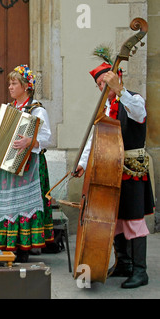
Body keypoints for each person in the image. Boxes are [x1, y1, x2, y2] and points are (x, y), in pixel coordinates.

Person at [75, 62, 155, 289]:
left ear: (115, 79)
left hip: (131, 169)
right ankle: (124, 263)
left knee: (133, 220)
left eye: (104, 83)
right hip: (111, 170)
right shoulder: (105, 108)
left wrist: (119, 89)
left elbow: (139, 114)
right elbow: (95, 138)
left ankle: (141, 272)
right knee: (115, 219)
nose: (101, 87)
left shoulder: (133, 100)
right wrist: (82, 163)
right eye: (99, 84)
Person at [0, 65, 53, 262]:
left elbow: (48, 139)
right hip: (5, 167)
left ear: (25, 86)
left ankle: (22, 249)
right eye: (10, 83)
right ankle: (6, 245)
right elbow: (0, 129)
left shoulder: (37, 110)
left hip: (27, 167)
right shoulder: (10, 109)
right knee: (4, 206)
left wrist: (30, 142)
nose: (10, 87)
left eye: (14, 83)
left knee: (21, 205)